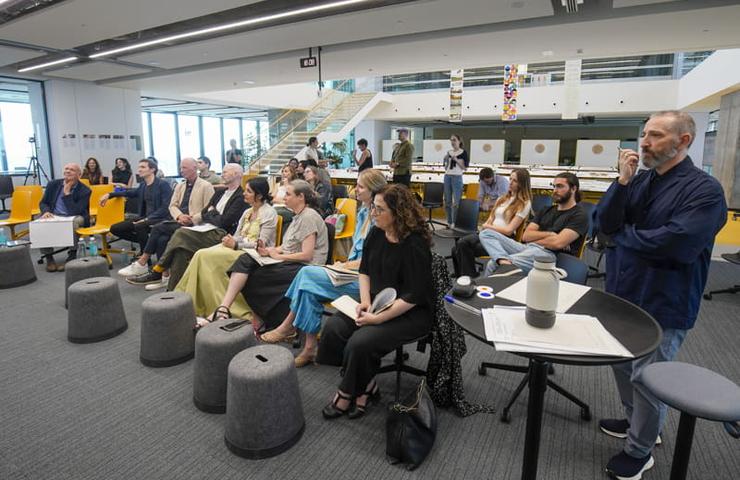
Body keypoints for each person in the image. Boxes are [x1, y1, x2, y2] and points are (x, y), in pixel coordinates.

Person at [596, 111, 727, 480]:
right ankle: (636, 422)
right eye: (645, 134)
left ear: (682, 141)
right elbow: (605, 223)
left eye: (655, 135)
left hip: (664, 302)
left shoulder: (705, 190)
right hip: (624, 293)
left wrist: (623, 237)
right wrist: (622, 183)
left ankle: (640, 450)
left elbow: (675, 243)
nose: (644, 142)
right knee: (623, 365)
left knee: (648, 377)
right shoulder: (638, 182)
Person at [317, 184, 433, 419]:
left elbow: (414, 294)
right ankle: (367, 385)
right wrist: (366, 302)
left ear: (398, 212)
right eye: (373, 208)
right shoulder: (377, 232)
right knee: (334, 329)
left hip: (411, 310)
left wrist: (377, 319)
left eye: (379, 209)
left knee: (361, 343)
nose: (373, 214)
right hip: (377, 301)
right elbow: (365, 270)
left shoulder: (415, 244)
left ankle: (347, 392)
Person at [261, 169, 387, 367]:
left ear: (374, 191)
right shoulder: (363, 212)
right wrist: (344, 265)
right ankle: (309, 348)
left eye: (361, 187)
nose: (355, 190)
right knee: (309, 288)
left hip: (366, 281)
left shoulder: (380, 220)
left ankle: (288, 326)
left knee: (307, 274)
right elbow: (358, 253)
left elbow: (371, 263)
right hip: (352, 272)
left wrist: (344, 265)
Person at [205, 180, 328, 334]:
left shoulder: (308, 217)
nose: (284, 198)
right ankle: (225, 308)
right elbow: (287, 246)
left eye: (288, 194)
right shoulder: (298, 216)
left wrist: (278, 256)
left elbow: (307, 255)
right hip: (292, 261)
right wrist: (270, 251)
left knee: (254, 274)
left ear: (301, 197)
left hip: (307, 268)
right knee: (246, 260)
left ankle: (255, 317)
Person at [128, 163, 248, 290]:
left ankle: (157, 270)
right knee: (179, 250)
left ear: (237, 175)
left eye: (226, 172)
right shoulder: (220, 192)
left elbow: (224, 222)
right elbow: (204, 212)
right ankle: (174, 291)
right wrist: (210, 213)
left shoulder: (240, 196)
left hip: (221, 234)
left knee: (180, 233)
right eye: (222, 171)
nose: (222, 174)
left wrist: (211, 213)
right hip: (204, 228)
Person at [179, 177, 278, 320]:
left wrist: (236, 244)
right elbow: (238, 235)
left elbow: (262, 243)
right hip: (238, 248)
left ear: (260, 195)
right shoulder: (247, 212)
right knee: (201, 254)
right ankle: (195, 301)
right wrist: (230, 240)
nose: (244, 193)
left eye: (248, 191)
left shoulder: (269, 213)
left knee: (205, 256)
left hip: (254, 253)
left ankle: (215, 305)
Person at [117, 157, 214, 280]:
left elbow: (209, 209)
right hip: (179, 220)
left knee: (157, 228)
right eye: (180, 167)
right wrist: (179, 215)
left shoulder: (206, 186)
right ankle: (164, 275)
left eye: (184, 167)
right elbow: (172, 205)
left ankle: (143, 261)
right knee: (162, 240)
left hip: (195, 224)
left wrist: (192, 218)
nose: (181, 170)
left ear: (194, 168)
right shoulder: (180, 186)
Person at [478, 172, 588, 275]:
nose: (555, 190)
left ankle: (495, 282)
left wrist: (537, 239)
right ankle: (503, 260)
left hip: (549, 256)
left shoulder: (579, 215)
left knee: (493, 264)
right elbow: (526, 236)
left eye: (560, 186)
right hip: (528, 248)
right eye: (554, 186)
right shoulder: (546, 210)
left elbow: (557, 243)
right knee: (486, 233)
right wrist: (550, 235)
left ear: (573, 189)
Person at [452, 168, 532, 277]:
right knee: (457, 248)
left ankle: (468, 278)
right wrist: (487, 226)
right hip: (489, 233)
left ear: (522, 184)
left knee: (461, 245)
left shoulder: (524, 203)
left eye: (515, 181)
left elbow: (509, 231)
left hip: (503, 238)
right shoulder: (502, 199)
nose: (510, 183)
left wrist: (487, 227)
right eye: (510, 179)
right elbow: (491, 218)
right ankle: (467, 277)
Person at [101, 158, 172, 257]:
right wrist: (110, 194)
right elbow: (129, 192)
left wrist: (147, 219)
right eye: (139, 167)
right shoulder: (143, 185)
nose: (139, 170)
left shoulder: (162, 185)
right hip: (145, 217)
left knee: (140, 225)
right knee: (115, 228)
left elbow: (165, 208)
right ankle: (150, 245)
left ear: (152, 170)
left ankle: (144, 255)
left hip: (160, 218)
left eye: (143, 167)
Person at [38, 163, 91, 272]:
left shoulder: (85, 190)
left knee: (73, 223)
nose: (68, 171)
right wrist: (46, 211)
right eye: (66, 169)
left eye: (72, 170)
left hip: (76, 216)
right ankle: (49, 256)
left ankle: (72, 254)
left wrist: (67, 193)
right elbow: (43, 203)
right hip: (55, 214)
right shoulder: (53, 184)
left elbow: (75, 211)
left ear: (79, 175)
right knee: (41, 222)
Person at [442, 134, 469, 227]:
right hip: (447, 176)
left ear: (459, 141)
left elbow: (464, 168)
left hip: (457, 177)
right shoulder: (449, 152)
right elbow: (446, 167)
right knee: (447, 201)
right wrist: (445, 160)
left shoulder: (463, 152)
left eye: (454, 140)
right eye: (451, 140)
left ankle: (455, 222)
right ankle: (449, 222)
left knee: (456, 202)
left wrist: (456, 160)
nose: (452, 142)